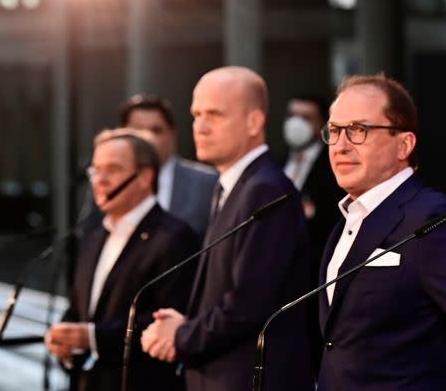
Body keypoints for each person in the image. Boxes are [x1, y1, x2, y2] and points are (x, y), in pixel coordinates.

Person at [317, 73, 446, 390]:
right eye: (335, 131)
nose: (340, 146)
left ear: (404, 144)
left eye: (358, 130)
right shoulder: (345, 221)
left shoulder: (431, 220)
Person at [140, 66, 312, 391]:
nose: (200, 127)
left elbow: (250, 305)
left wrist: (181, 335)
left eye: (215, 115)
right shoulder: (231, 186)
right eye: (196, 115)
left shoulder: (265, 190)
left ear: (254, 122)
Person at [46, 129, 198, 391]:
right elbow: (79, 308)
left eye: (112, 170)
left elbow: (166, 322)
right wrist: (65, 340)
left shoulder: (174, 237)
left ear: (145, 176)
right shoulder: (93, 235)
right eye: (95, 170)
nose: (100, 180)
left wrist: (92, 338)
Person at [79, 95, 217, 239]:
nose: (147, 137)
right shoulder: (104, 181)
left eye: (155, 130)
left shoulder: (207, 182)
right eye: (137, 130)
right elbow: (88, 234)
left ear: (172, 134)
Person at [281, 95, 340, 375]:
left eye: (305, 117)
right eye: (293, 115)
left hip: (312, 274)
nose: (296, 123)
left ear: (321, 124)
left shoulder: (332, 168)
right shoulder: (280, 161)